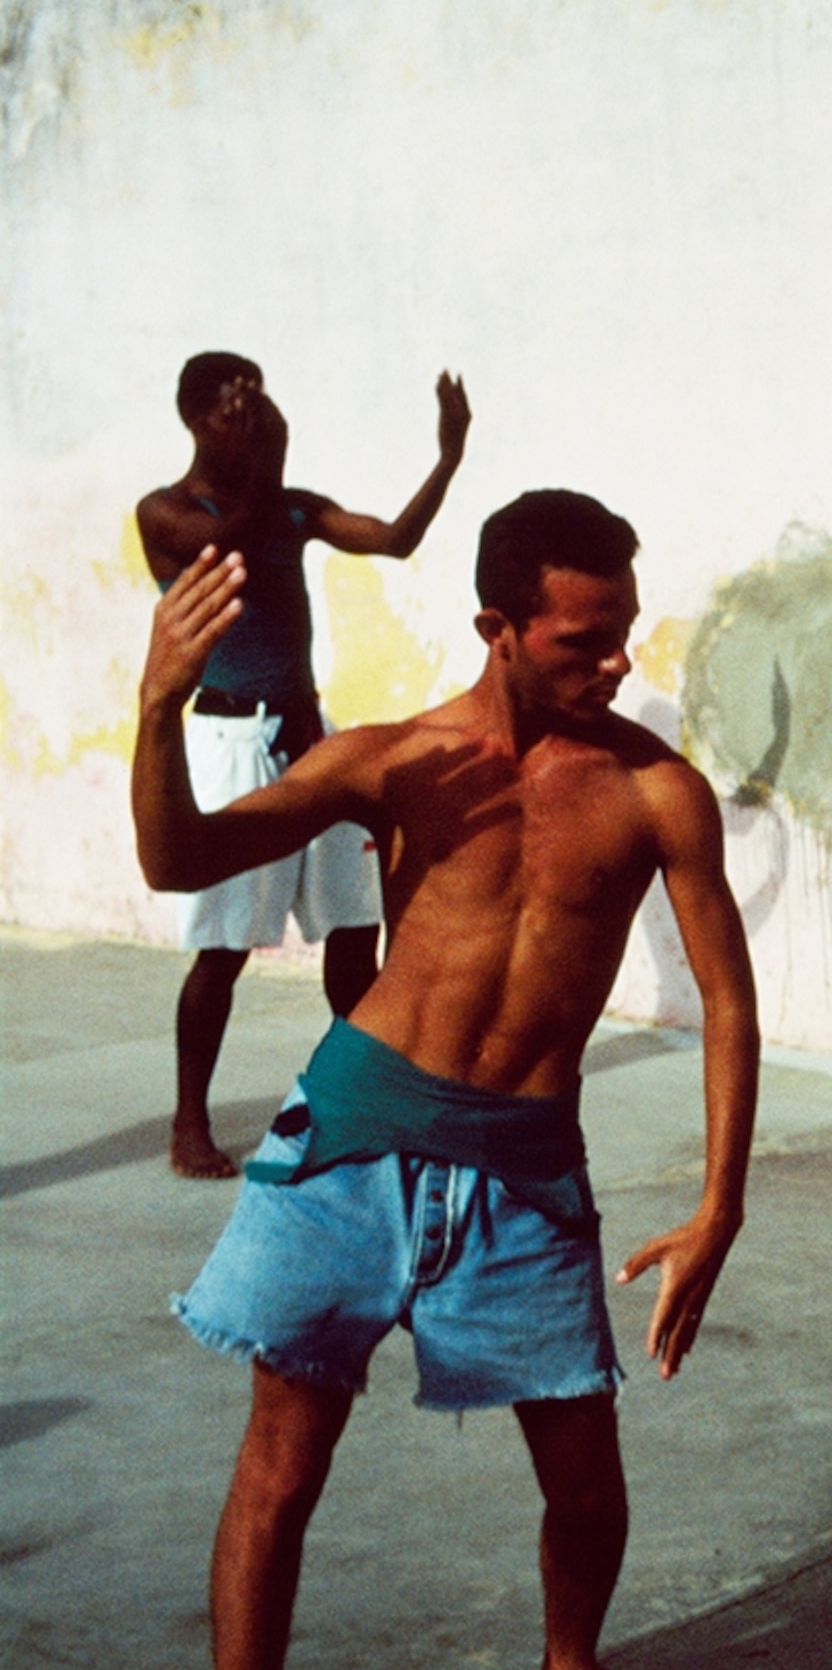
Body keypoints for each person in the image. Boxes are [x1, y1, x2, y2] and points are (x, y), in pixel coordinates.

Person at [133, 491, 761, 1670]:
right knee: (281, 1472)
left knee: (587, 1480)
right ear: (498, 624)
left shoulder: (659, 789)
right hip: (352, 1141)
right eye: (581, 639)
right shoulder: (398, 762)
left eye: (622, 634)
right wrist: (161, 709)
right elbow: (179, 858)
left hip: (528, 1166)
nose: (614, 662)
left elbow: (726, 993)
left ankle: (572, 1662)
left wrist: (721, 1200)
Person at [136, 351, 474, 1178]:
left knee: (355, 931)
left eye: (257, 401)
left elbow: (395, 540)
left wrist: (449, 456)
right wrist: (274, 454)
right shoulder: (169, 512)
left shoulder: (290, 506)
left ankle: (365, 1097)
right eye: (232, 407)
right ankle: (189, 1123)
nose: (249, 418)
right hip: (230, 738)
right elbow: (227, 544)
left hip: (308, 735)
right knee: (223, 947)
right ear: (194, 417)